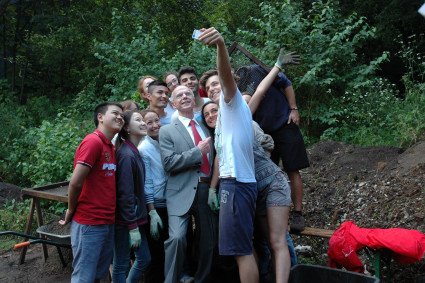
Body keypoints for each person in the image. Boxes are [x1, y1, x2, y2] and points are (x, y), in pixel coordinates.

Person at [201, 100, 292, 283]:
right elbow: (220, 159)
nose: (211, 115)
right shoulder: (219, 138)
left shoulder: (243, 121)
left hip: (272, 182)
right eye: (206, 114)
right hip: (250, 191)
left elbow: (267, 144)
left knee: (277, 241)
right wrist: (212, 188)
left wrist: (276, 69)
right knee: (255, 243)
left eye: (214, 111)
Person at [199, 27, 258, 283]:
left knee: (241, 252)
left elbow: (225, 80)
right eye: (207, 86)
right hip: (235, 183)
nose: (212, 88)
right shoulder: (224, 118)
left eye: (215, 84)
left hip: (236, 184)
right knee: (243, 248)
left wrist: (221, 45)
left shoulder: (231, 103)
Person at [237, 49, 309, 232]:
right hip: (264, 133)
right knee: (268, 175)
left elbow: (286, 83)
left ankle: (298, 213)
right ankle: (270, 212)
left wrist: (293, 108)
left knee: (293, 169)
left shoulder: (256, 71)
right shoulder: (232, 90)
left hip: (285, 124)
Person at [59, 102, 124, 283]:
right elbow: (75, 182)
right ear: (100, 117)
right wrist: (71, 209)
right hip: (89, 223)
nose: (120, 117)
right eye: (115, 113)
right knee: (83, 277)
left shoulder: (110, 147)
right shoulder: (93, 142)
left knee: (98, 274)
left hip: (107, 221)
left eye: (122, 115)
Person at [159, 85, 216, 283]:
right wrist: (196, 152)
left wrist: (213, 187)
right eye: (179, 95)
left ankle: (201, 279)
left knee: (208, 242)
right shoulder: (166, 130)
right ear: (173, 104)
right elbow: (168, 163)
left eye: (188, 94)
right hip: (179, 190)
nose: (184, 96)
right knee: (176, 238)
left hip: (206, 188)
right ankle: (171, 279)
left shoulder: (206, 126)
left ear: (194, 99)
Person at [113, 109, 151, 283]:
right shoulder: (126, 155)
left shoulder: (134, 151)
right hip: (125, 221)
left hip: (135, 218)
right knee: (120, 264)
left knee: (144, 258)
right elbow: (125, 193)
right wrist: (132, 226)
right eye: (138, 120)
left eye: (143, 119)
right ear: (127, 128)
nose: (143, 123)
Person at [138, 109, 168, 283]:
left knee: (167, 248)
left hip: (170, 200)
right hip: (156, 205)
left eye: (157, 120)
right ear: (143, 125)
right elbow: (146, 182)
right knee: (156, 252)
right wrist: (151, 211)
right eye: (149, 122)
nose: (155, 125)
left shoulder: (164, 140)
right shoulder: (144, 149)